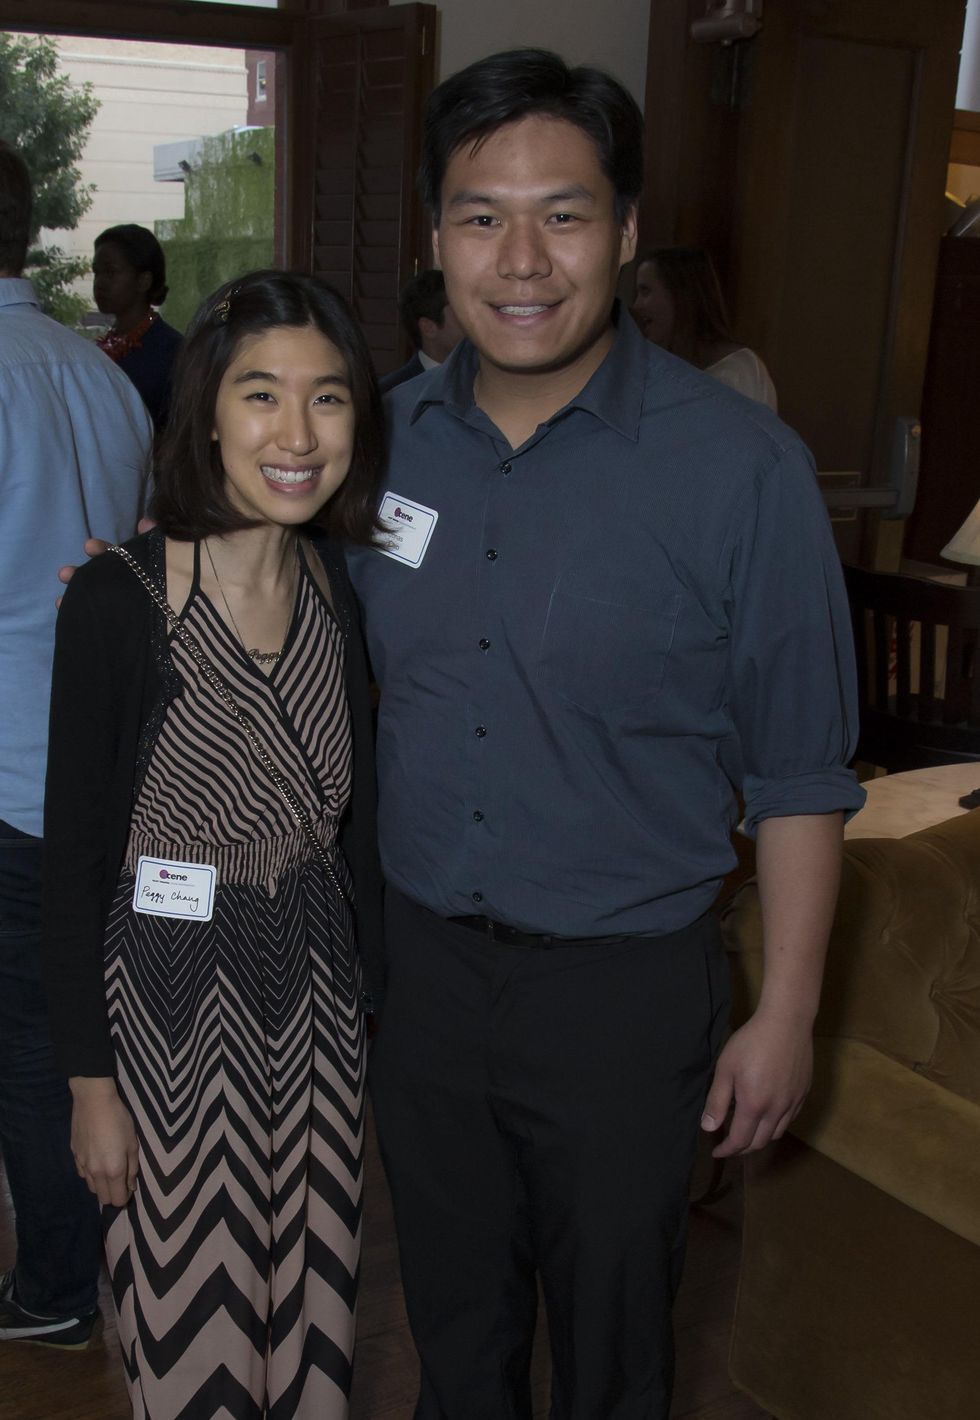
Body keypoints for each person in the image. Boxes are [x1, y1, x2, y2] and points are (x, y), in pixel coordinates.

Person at [346, 49, 865, 1419]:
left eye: (564, 215)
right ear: (438, 239)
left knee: (615, 1359)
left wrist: (791, 1013)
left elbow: (801, 770)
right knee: (454, 1344)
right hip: (426, 981)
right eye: (480, 216)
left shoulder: (741, 471)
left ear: (626, 234)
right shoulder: (381, 446)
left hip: (626, 1000)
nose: (522, 259)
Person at [43, 270, 383, 1417]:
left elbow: (362, 832)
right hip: (170, 1012)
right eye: (260, 396)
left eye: (327, 399)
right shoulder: (116, 599)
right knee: (187, 1315)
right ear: (205, 412)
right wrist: (92, 1086)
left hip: (315, 999)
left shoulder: (339, 589)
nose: (295, 434)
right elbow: (72, 866)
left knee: (310, 1309)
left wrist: (373, 1010)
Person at [0, 141, 151, 1350]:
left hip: (5, 759)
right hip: (94, 758)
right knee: (63, 1021)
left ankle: (58, 1277)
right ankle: (88, 1261)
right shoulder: (96, 375)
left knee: (27, 1031)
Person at [632, 245, 779, 409]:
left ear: (680, 295)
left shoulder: (738, 373)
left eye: (645, 292)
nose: (637, 306)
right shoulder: (664, 371)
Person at [93, 223, 183, 432]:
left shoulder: (172, 353)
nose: (100, 283)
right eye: (96, 272)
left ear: (143, 281)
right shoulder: (100, 348)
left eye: (111, 272)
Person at [379, 268, 464, 392]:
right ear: (428, 327)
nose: (470, 317)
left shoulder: (486, 379)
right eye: (459, 310)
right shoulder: (392, 394)